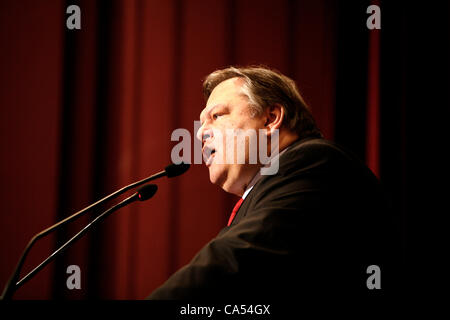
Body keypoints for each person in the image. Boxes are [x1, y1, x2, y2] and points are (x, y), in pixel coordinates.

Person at [147, 66, 396, 300]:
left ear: (271, 118)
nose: (201, 132)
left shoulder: (315, 162)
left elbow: (236, 258)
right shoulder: (268, 187)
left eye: (217, 115)